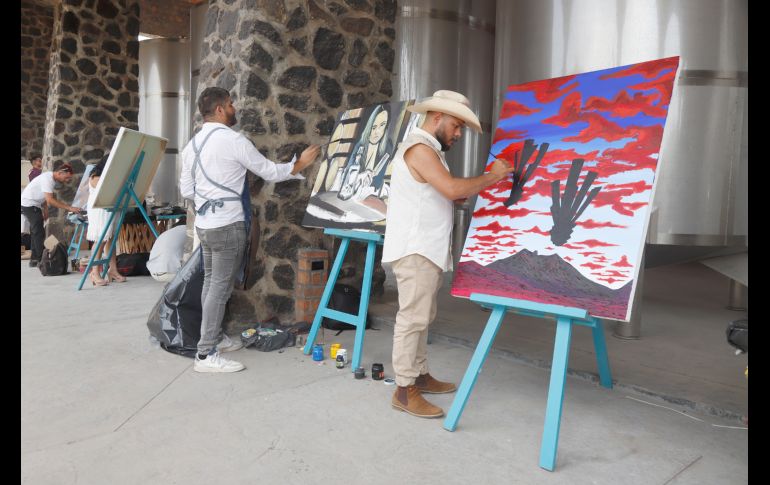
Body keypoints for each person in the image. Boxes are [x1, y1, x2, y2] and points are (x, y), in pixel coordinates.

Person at [382, 90, 515, 418]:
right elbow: (452, 187)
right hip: (416, 248)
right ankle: (404, 389)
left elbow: (440, 192)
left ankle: (419, 375)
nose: (458, 134)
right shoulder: (419, 148)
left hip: (425, 248)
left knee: (422, 316)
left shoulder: (429, 150)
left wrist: (452, 197)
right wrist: (494, 177)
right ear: (437, 117)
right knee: (413, 318)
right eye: (456, 126)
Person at [179, 87, 320, 373]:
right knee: (218, 288)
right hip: (228, 224)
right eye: (230, 104)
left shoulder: (191, 146)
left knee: (210, 284)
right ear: (219, 109)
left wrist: (207, 205)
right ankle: (206, 355)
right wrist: (301, 163)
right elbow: (269, 172)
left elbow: (186, 190)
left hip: (205, 225)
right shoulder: (233, 140)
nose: (234, 109)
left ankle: (215, 338)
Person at [20, 162, 81, 268]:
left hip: (33, 204)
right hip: (29, 203)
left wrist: (45, 210)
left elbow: (44, 197)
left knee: (36, 232)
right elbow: (50, 200)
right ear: (60, 172)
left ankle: (34, 260)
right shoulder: (48, 179)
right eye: (66, 177)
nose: (67, 181)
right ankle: (40, 260)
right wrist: (69, 208)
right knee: (38, 232)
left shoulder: (50, 179)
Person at [337, 104, 393, 201]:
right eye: (374, 127)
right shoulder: (360, 146)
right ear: (369, 126)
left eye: (382, 125)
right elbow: (347, 176)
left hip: (368, 198)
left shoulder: (387, 147)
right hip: (351, 197)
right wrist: (359, 176)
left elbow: (377, 183)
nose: (378, 132)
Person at [86, 156, 126, 286]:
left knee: (111, 238)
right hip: (100, 210)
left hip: (110, 207)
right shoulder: (95, 178)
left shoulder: (109, 177)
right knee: (101, 238)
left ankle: (113, 270)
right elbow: (108, 190)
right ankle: (94, 272)